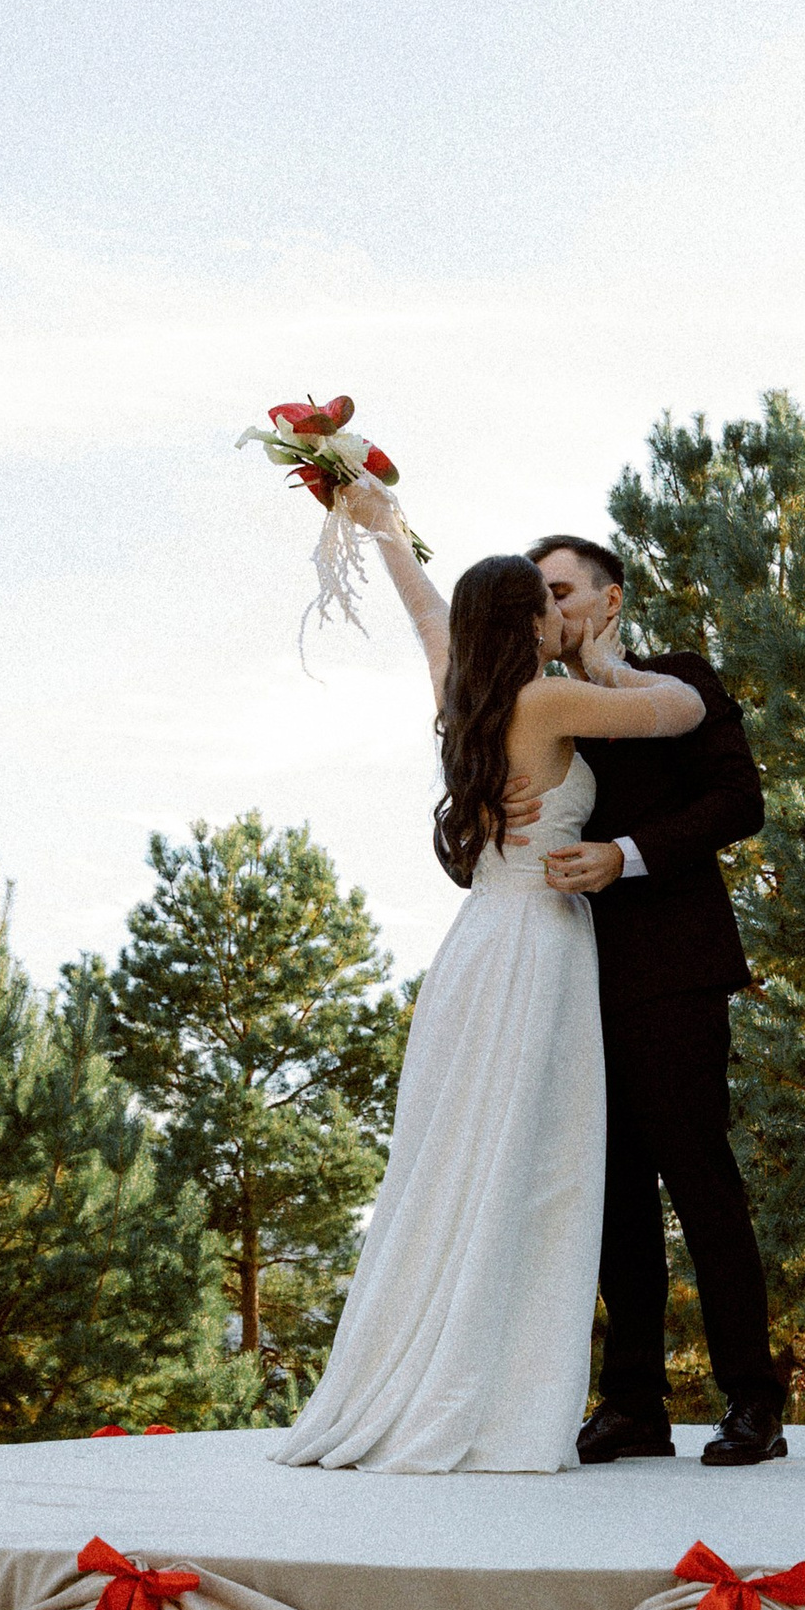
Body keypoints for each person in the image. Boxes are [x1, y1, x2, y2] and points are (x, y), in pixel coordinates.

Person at [275, 491, 702, 1474]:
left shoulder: (460, 690)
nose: (562, 613)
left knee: (455, 1164)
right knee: (536, 1165)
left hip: (477, 947)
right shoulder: (549, 698)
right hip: (538, 947)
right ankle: (499, 1400)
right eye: (548, 605)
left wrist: (382, 526)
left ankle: (435, 1369)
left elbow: (427, 611)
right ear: (528, 621)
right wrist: (606, 659)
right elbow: (678, 710)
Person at [528, 531, 790, 1471]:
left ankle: (754, 1397)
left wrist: (625, 855)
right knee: (611, 1196)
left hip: (673, 967)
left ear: (609, 599)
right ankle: (633, 1400)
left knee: (699, 1179)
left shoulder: (678, 679)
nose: (547, 607)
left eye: (560, 589)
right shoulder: (530, 703)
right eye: (536, 594)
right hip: (563, 972)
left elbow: (739, 801)